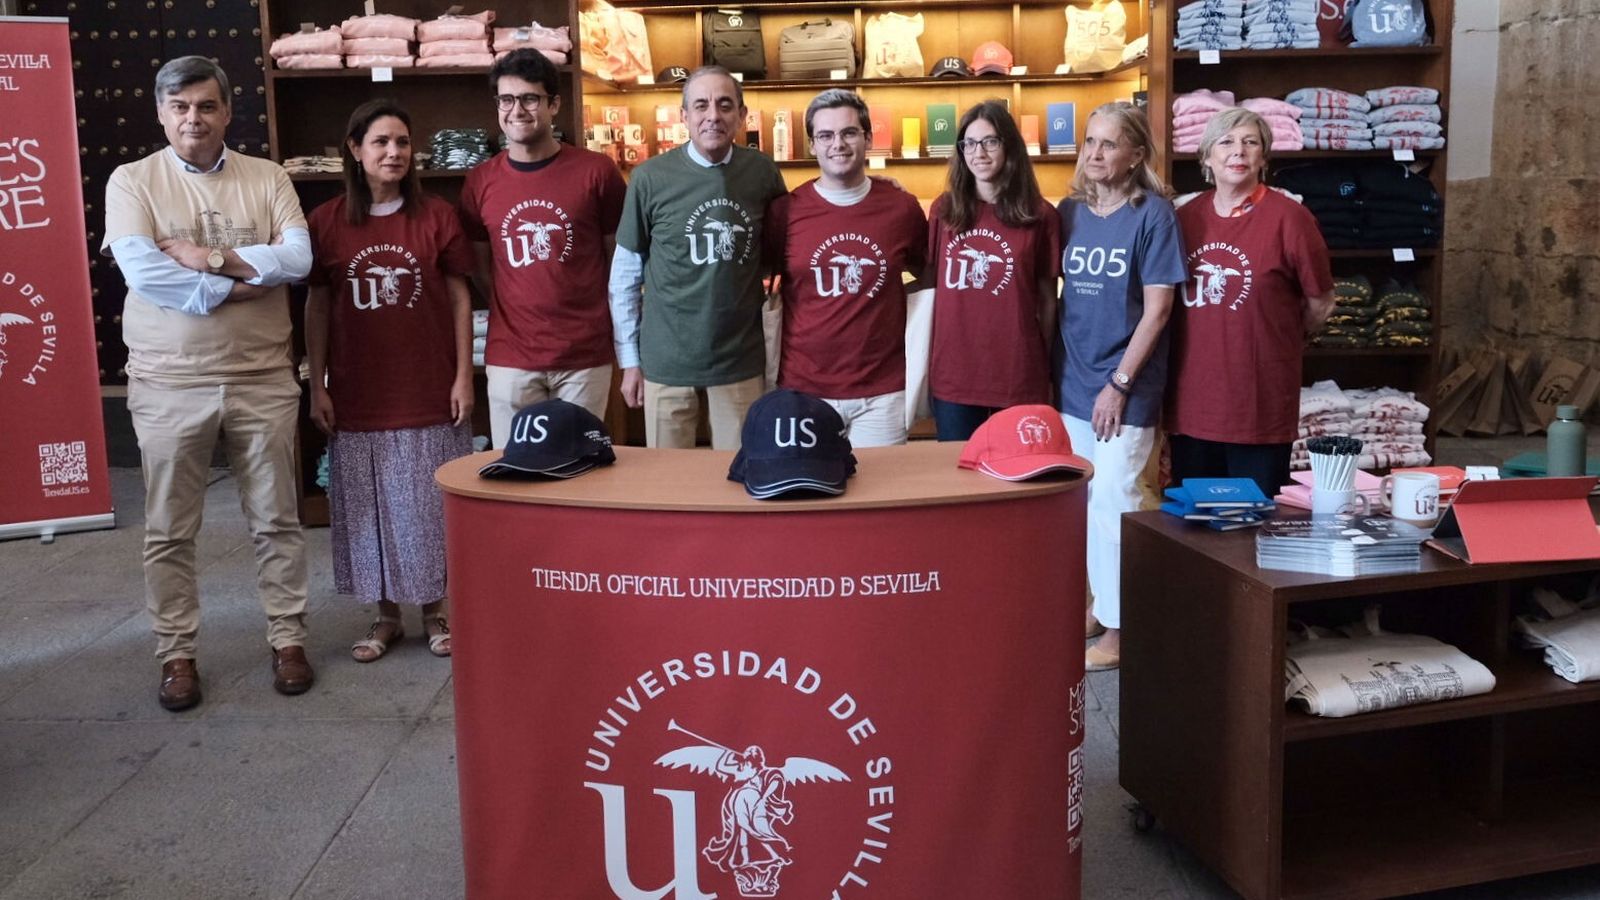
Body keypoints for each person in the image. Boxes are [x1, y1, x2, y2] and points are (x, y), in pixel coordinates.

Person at [102, 56, 314, 710]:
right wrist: (241, 284)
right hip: (170, 384)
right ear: (162, 113)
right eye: (179, 107)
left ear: (227, 111)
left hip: (261, 379)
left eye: (205, 105)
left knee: (277, 518)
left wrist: (206, 257)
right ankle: (177, 654)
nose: (192, 118)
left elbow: (300, 259)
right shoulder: (132, 181)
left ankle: (288, 639)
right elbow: (144, 273)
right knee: (169, 527)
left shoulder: (268, 177)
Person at [304, 100, 475, 662]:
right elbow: (319, 304)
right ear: (354, 150)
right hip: (357, 388)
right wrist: (320, 384)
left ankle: (434, 611)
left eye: (402, 142)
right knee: (368, 505)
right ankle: (384, 617)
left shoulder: (436, 216)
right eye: (380, 142)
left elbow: (456, 295)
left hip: (425, 384)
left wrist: (461, 375)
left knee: (423, 504)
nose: (393, 152)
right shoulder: (327, 221)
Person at [1055, 102, 1187, 671]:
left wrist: (1119, 384)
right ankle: (1095, 605)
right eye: (1089, 142)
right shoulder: (1070, 211)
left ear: (1136, 154)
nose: (1096, 154)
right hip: (1072, 382)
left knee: (1115, 500)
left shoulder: (1153, 215)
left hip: (1122, 389)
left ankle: (1122, 625)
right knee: (1081, 503)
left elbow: (1158, 310)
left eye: (1110, 144)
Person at [608, 65, 789, 449]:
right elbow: (624, 276)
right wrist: (629, 361)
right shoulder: (649, 178)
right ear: (683, 116)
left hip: (739, 358)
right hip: (665, 360)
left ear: (742, 116)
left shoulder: (762, 173)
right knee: (669, 489)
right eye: (701, 105)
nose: (713, 116)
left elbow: (781, 248)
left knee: (741, 479)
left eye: (725, 106)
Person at [460, 49, 627, 447]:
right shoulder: (480, 182)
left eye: (530, 98)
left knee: (583, 472)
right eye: (506, 99)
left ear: (554, 104)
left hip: (584, 355)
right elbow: (483, 267)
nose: (517, 110)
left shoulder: (596, 172)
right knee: (514, 475)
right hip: (511, 357)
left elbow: (615, 258)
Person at [1167, 107, 1336, 497]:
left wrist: (1280, 335)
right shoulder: (1185, 218)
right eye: (1225, 142)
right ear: (1207, 157)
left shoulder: (1289, 218)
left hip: (1258, 402)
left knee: (1254, 522)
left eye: (1250, 142)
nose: (1237, 152)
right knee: (1193, 523)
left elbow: (1321, 301)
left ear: (1264, 156)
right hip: (1194, 401)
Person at [763, 89, 927, 447]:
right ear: (812, 145)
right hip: (804, 388)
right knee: (809, 498)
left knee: (877, 500)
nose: (838, 143)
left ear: (868, 138)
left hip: (883, 393)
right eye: (825, 135)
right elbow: (767, 281)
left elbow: (925, 276)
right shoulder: (785, 211)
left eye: (849, 132)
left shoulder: (901, 209)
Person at [926, 100, 1062, 441]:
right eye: (969, 143)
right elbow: (928, 285)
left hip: (1017, 373)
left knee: (1016, 481)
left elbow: (1048, 300)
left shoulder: (1040, 215)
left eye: (990, 141)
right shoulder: (943, 211)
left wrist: (1043, 363)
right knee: (958, 484)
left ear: (1009, 147)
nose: (979, 153)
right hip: (955, 375)